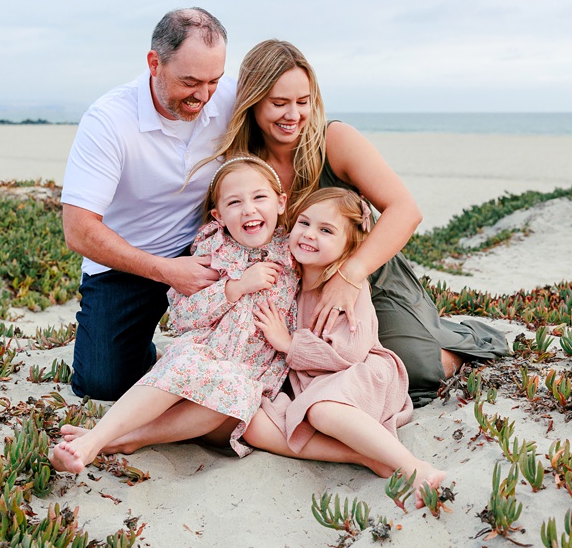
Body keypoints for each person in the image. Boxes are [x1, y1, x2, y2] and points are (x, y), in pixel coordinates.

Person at [204, 39, 509, 407]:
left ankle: (459, 341)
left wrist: (349, 277)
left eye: (303, 102)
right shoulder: (240, 163)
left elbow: (404, 209)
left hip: (368, 277)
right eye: (279, 103)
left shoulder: (335, 140)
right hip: (292, 293)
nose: (293, 115)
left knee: (414, 373)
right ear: (253, 101)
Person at [50, 156, 298, 473]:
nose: (249, 209)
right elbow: (183, 316)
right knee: (184, 363)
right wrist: (234, 288)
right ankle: (95, 440)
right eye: (235, 202)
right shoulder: (214, 252)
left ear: (281, 203)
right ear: (218, 216)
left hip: (251, 376)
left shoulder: (294, 252)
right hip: (206, 353)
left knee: (234, 393)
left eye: (259, 197)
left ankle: (130, 438)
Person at [61, 7, 236, 401]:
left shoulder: (227, 96)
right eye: (189, 82)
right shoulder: (108, 120)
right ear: (154, 63)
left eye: (214, 80)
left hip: (208, 248)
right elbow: (78, 229)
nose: (204, 96)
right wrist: (167, 271)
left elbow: (289, 122)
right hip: (131, 261)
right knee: (101, 383)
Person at [249, 187, 445, 500]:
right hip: (314, 383)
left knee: (321, 412)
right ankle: (361, 455)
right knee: (251, 423)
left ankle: (412, 466)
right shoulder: (293, 280)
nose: (309, 234)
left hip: (364, 375)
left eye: (326, 230)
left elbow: (350, 353)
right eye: (304, 223)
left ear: (349, 245)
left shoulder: (347, 289)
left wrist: (289, 344)